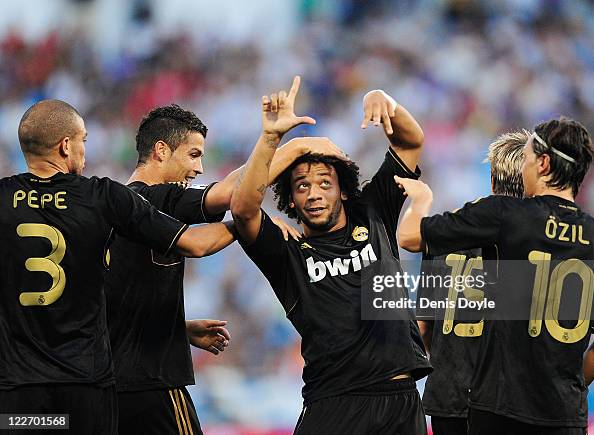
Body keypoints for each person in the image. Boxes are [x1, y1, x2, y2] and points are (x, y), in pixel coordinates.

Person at [0, 99, 234, 434]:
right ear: (66, 146)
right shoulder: (103, 197)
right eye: (83, 140)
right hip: (86, 389)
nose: (84, 149)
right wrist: (249, 223)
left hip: (16, 392)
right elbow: (196, 244)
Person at [105, 104, 336, 435]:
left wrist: (177, 328)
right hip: (151, 382)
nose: (199, 168)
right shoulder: (154, 199)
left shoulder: (115, 209)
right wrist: (293, 146)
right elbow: (232, 194)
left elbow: (112, 305)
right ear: (161, 151)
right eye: (193, 154)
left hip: (110, 387)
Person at [231, 76, 432, 434]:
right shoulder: (285, 251)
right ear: (290, 199)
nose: (314, 193)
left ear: (342, 191)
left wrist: (382, 97)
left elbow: (411, 140)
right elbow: (243, 208)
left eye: (325, 182)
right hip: (334, 400)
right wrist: (279, 143)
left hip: (401, 397)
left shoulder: (372, 213)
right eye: (302, 185)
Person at [398, 117, 594, 435]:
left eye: (526, 158)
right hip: (563, 413)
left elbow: (410, 240)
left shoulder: (506, 216)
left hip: (494, 405)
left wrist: (421, 201)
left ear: (542, 163)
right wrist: (570, 386)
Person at [415, 130, 527, 435]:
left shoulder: (446, 230)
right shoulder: (541, 240)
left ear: (492, 180)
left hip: (449, 393)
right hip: (512, 399)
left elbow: (424, 327)